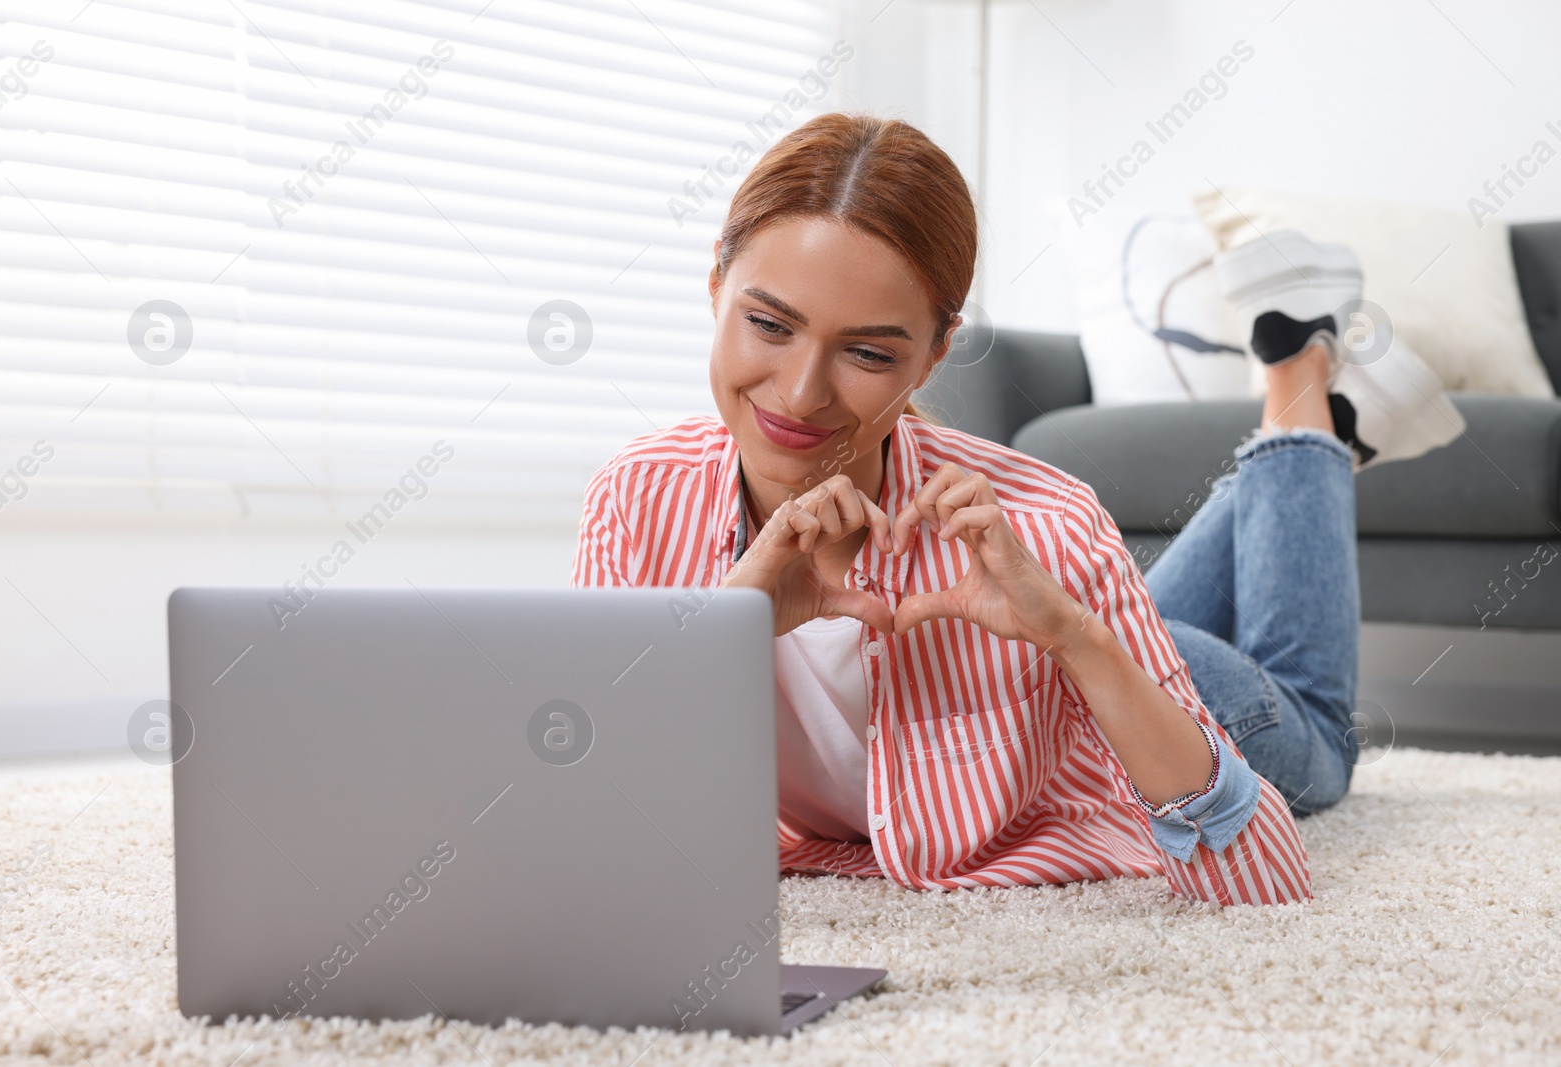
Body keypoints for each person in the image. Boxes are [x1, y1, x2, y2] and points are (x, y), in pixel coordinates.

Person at [570, 113, 1465, 905]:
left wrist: (1078, 640)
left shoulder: (1045, 525)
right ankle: (1324, 428)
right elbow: (582, 814)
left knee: (1318, 737)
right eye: (769, 324)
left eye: (869, 353)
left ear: (934, 354)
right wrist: (728, 628)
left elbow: (1266, 874)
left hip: (1121, 687)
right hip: (1095, 621)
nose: (800, 395)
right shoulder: (637, 498)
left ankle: (1297, 378)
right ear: (715, 286)